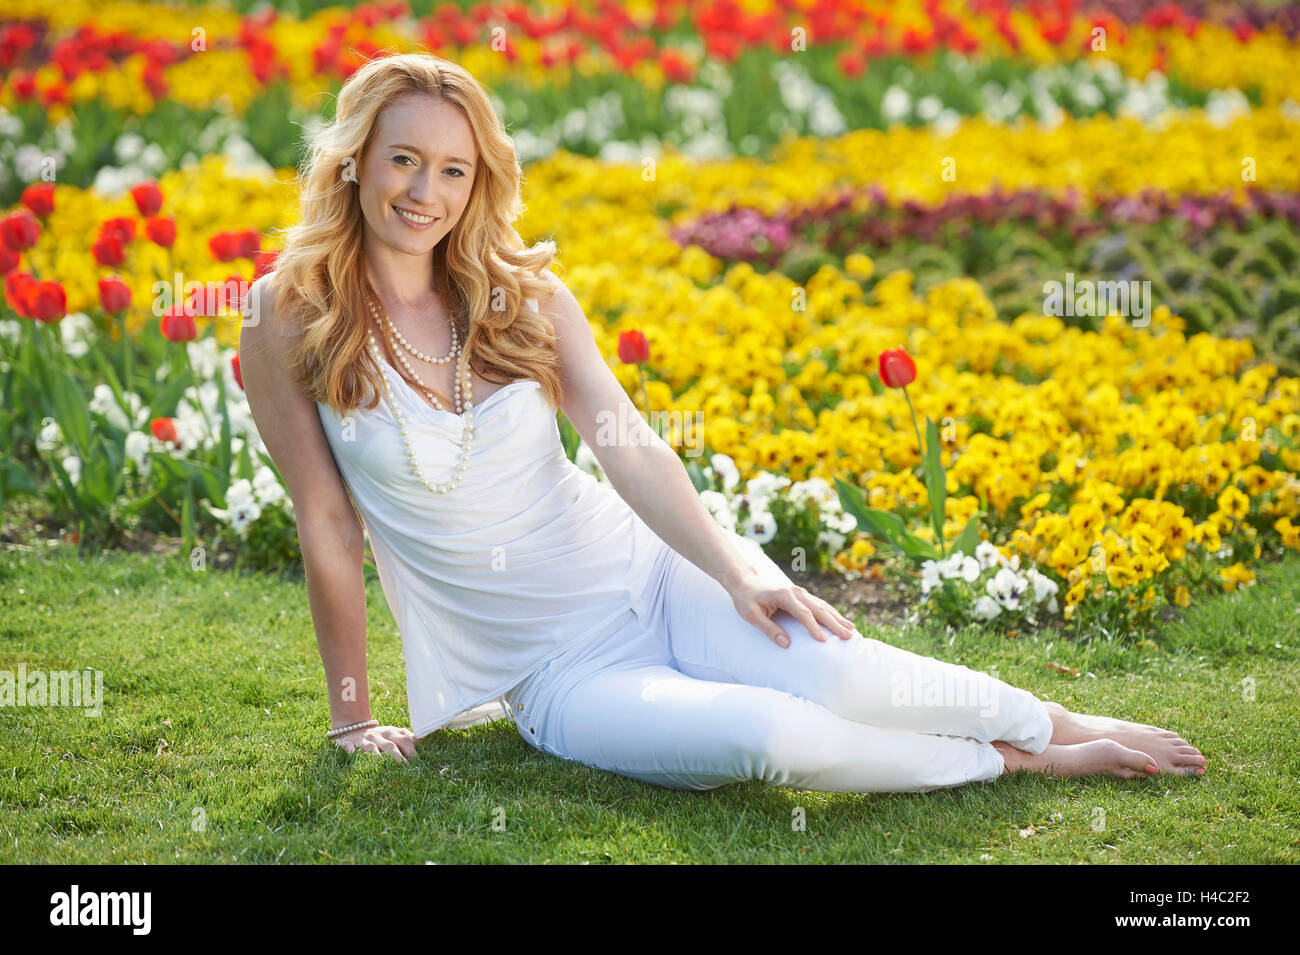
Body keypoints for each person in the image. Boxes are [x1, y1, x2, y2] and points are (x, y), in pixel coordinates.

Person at [239, 52, 1206, 793]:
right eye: (403, 159)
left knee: (850, 676)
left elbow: (627, 446)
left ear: (478, 182)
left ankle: (1053, 718)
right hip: (555, 673)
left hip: (652, 577)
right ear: (354, 159)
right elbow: (329, 523)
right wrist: (351, 716)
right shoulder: (287, 314)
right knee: (764, 736)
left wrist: (737, 567)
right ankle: (1019, 760)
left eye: (452, 170)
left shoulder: (521, 297)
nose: (423, 192)